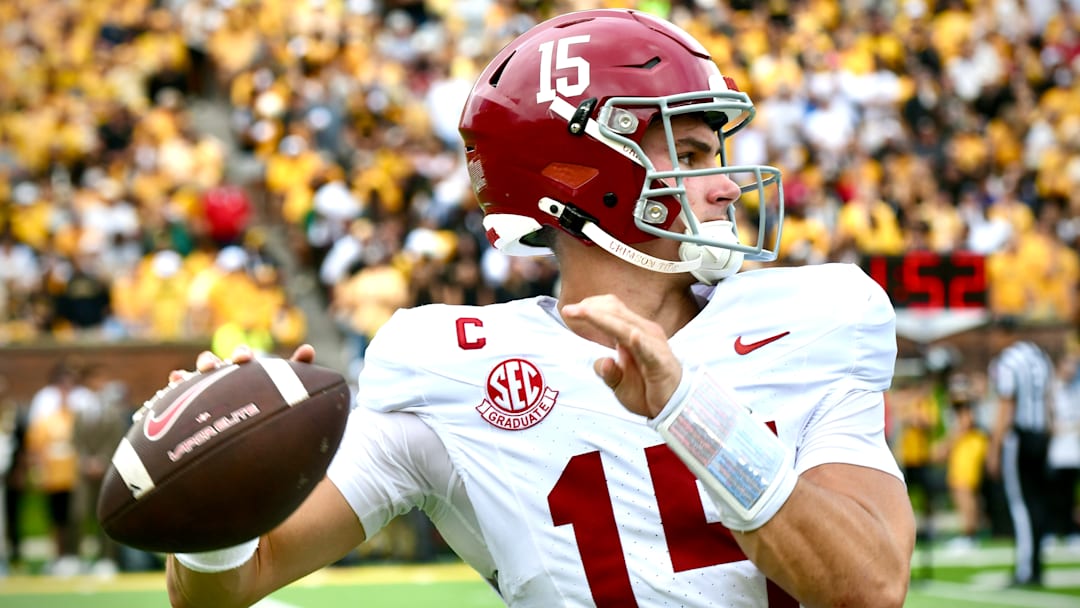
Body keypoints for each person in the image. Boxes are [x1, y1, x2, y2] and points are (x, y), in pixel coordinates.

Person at [165, 10, 914, 608]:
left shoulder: (817, 316)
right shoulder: (451, 367)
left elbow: (868, 589)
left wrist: (694, 413)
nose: (721, 185)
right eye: (688, 151)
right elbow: (233, 585)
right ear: (584, 174)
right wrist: (215, 484)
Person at [987, 337, 1055, 587]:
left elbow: (1006, 405)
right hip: (1042, 436)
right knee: (1037, 502)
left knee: (1021, 505)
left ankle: (1026, 569)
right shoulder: (1040, 355)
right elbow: (1049, 400)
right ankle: (1036, 564)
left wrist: (994, 449)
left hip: (1019, 438)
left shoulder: (1009, 360)